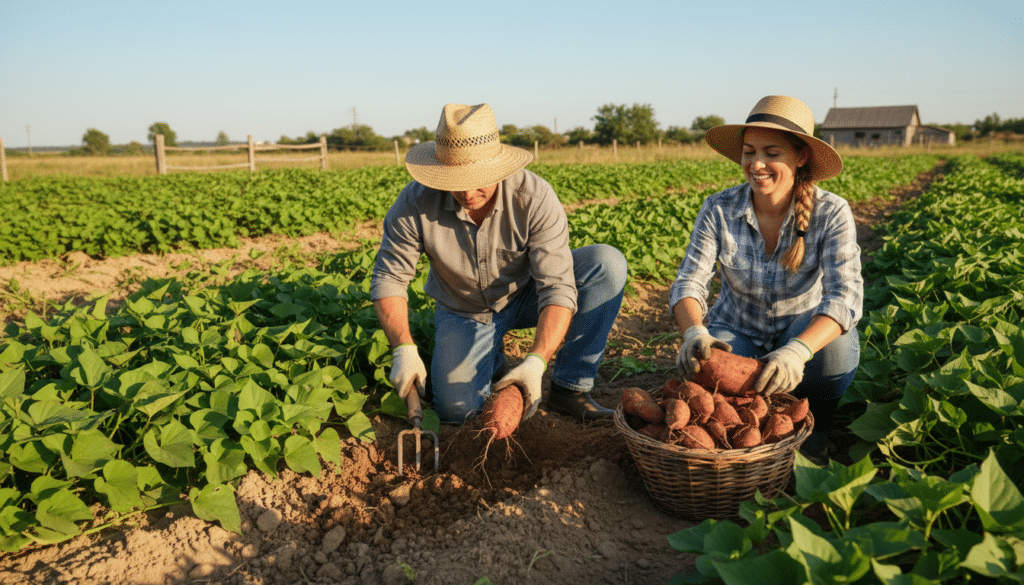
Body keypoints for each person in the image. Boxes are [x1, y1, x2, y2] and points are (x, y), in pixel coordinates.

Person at [372, 103, 627, 425]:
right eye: (455, 179)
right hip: (464, 309)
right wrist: (403, 348)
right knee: (457, 412)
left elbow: (558, 286)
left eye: (478, 179)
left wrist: (536, 360)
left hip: (526, 294)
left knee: (606, 264)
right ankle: (491, 360)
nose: (466, 191)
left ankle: (570, 388)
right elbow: (389, 278)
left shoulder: (533, 197)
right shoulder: (415, 202)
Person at [670, 95, 863, 465]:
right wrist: (694, 331)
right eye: (748, 152)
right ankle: (745, 431)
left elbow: (846, 298)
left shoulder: (831, 212)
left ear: (800, 156)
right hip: (737, 334)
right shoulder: (718, 208)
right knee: (706, 362)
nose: (756, 164)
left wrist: (798, 351)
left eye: (771, 152)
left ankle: (815, 425)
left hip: (799, 333)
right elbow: (689, 282)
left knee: (836, 348)